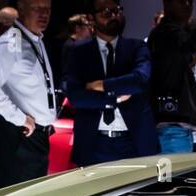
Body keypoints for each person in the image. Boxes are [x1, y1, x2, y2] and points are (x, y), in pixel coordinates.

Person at [63, 0, 155, 166]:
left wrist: (101, 86)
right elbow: (76, 97)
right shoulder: (79, 52)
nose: (114, 16)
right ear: (92, 18)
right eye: (106, 12)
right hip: (93, 142)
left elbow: (139, 80)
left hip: (133, 141)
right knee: (95, 192)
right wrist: (113, 99)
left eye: (117, 11)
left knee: (135, 192)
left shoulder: (137, 47)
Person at [0, 0, 57, 187]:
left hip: (35, 138)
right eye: (37, 9)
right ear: (22, 9)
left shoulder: (34, 39)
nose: (44, 14)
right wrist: (20, 118)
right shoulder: (12, 41)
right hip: (21, 136)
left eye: (48, 9)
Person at [149, 0, 196, 154]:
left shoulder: (169, 35)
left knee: (172, 177)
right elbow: (194, 42)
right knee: (170, 177)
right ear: (167, 3)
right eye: (182, 0)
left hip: (176, 129)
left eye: (191, 1)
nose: (188, 5)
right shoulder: (165, 33)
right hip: (171, 130)